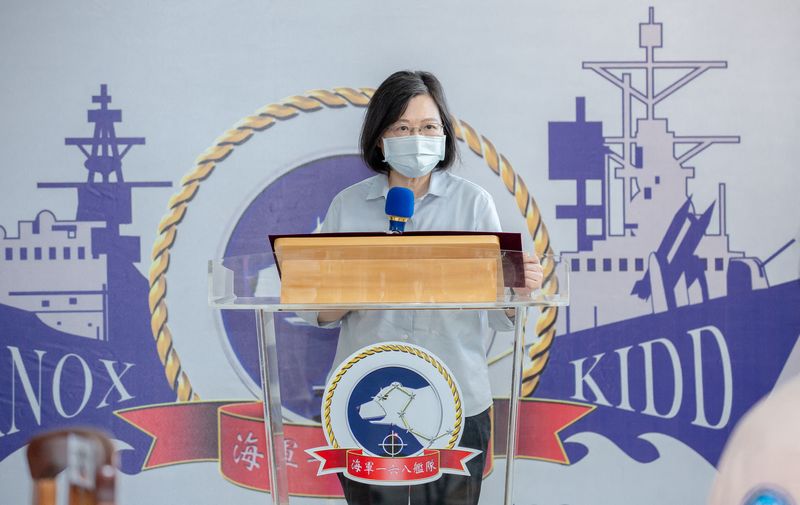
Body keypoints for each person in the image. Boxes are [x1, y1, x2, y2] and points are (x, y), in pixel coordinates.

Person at [307, 70, 544, 505]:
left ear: (445, 135)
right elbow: (316, 313)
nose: (417, 138)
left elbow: (499, 313)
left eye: (428, 127)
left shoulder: (473, 205)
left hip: (456, 396)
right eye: (402, 128)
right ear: (380, 139)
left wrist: (519, 292)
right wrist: (363, 280)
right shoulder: (348, 205)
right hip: (366, 392)